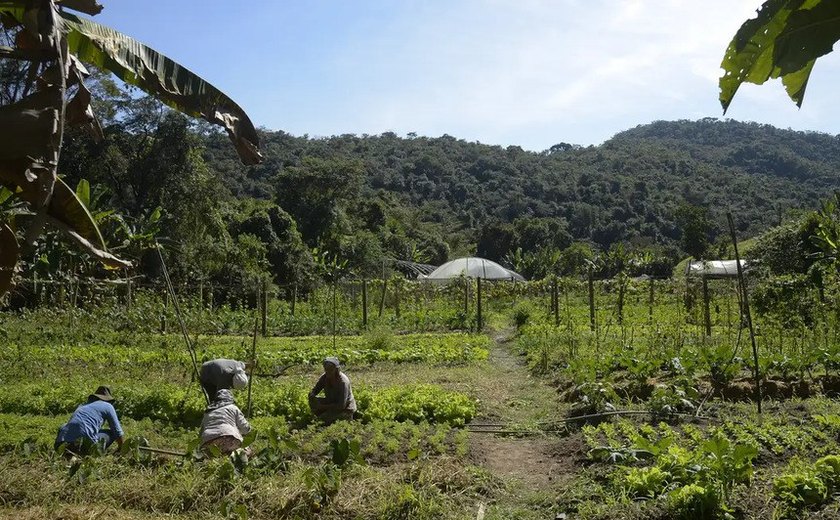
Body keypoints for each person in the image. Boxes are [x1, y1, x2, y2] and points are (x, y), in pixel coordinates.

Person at [54, 386, 125, 454]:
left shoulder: (82, 406)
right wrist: (122, 448)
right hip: (83, 446)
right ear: (108, 400)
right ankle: (91, 451)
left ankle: (65, 451)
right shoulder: (108, 406)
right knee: (111, 433)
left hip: (61, 445)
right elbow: (117, 431)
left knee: (64, 426)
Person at [199, 389, 251, 456]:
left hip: (207, 442)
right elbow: (245, 428)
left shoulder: (207, 412)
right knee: (246, 451)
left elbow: (201, 433)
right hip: (227, 437)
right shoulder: (233, 408)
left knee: (213, 455)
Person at [308, 357, 356, 425]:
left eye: (331, 369)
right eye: (326, 369)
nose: (328, 371)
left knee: (321, 420)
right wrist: (312, 394)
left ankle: (346, 418)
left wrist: (323, 407)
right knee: (313, 400)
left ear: (336, 370)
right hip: (331, 402)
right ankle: (324, 414)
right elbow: (316, 389)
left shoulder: (343, 382)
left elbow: (341, 405)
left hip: (345, 409)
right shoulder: (324, 377)